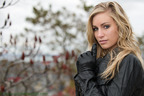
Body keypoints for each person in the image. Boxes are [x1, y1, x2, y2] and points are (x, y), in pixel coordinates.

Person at [74, 1, 144, 96]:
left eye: (106, 26)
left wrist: (86, 73)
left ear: (120, 27)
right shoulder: (93, 63)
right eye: (95, 29)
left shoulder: (129, 62)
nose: (99, 35)